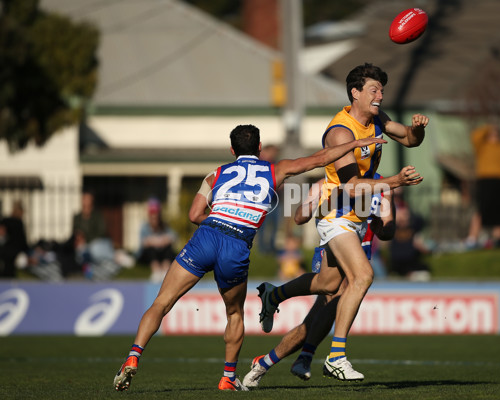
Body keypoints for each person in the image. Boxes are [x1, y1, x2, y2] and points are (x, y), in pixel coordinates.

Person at [112, 124, 386, 392]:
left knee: (162, 302)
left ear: (232, 149)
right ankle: (227, 378)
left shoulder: (215, 174)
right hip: (236, 244)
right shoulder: (275, 169)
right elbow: (318, 159)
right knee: (233, 314)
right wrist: (353, 144)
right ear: (259, 148)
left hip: (206, 236)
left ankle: (134, 354)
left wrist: (222, 217)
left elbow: (194, 215)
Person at [256, 63, 428, 381]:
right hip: (336, 212)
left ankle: (274, 299)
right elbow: (348, 187)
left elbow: (409, 138)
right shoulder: (340, 131)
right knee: (359, 279)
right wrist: (395, 181)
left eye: (382, 90)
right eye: (374, 90)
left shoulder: (378, 122)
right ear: (355, 93)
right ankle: (331, 356)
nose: (380, 95)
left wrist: (418, 129)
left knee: (329, 286)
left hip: (357, 216)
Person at [243, 175, 395, 388]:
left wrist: (382, 228)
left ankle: (274, 357)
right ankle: (309, 356)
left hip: (359, 253)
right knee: (329, 301)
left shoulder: (384, 185)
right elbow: (299, 217)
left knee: (326, 303)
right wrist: (311, 205)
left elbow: (389, 228)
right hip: (336, 249)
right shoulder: (329, 182)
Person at [388, 194, 431, 281]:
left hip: (411, 263)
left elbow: (422, 221)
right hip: (397, 263)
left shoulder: (414, 225)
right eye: (401, 213)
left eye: (406, 213)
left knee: (424, 273)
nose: (404, 216)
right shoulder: (392, 226)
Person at [138, 198, 177, 283]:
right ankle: (156, 271)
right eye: (152, 217)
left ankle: (165, 271)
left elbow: (173, 236)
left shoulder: (164, 226)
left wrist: (162, 241)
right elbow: (144, 242)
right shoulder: (145, 227)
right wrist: (156, 241)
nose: (154, 220)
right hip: (148, 255)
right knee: (150, 249)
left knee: (168, 248)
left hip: (162, 253)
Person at [0, 200, 29, 278]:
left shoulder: (6, 221)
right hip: (14, 250)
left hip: (7, 250)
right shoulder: (17, 222)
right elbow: (22, 239)